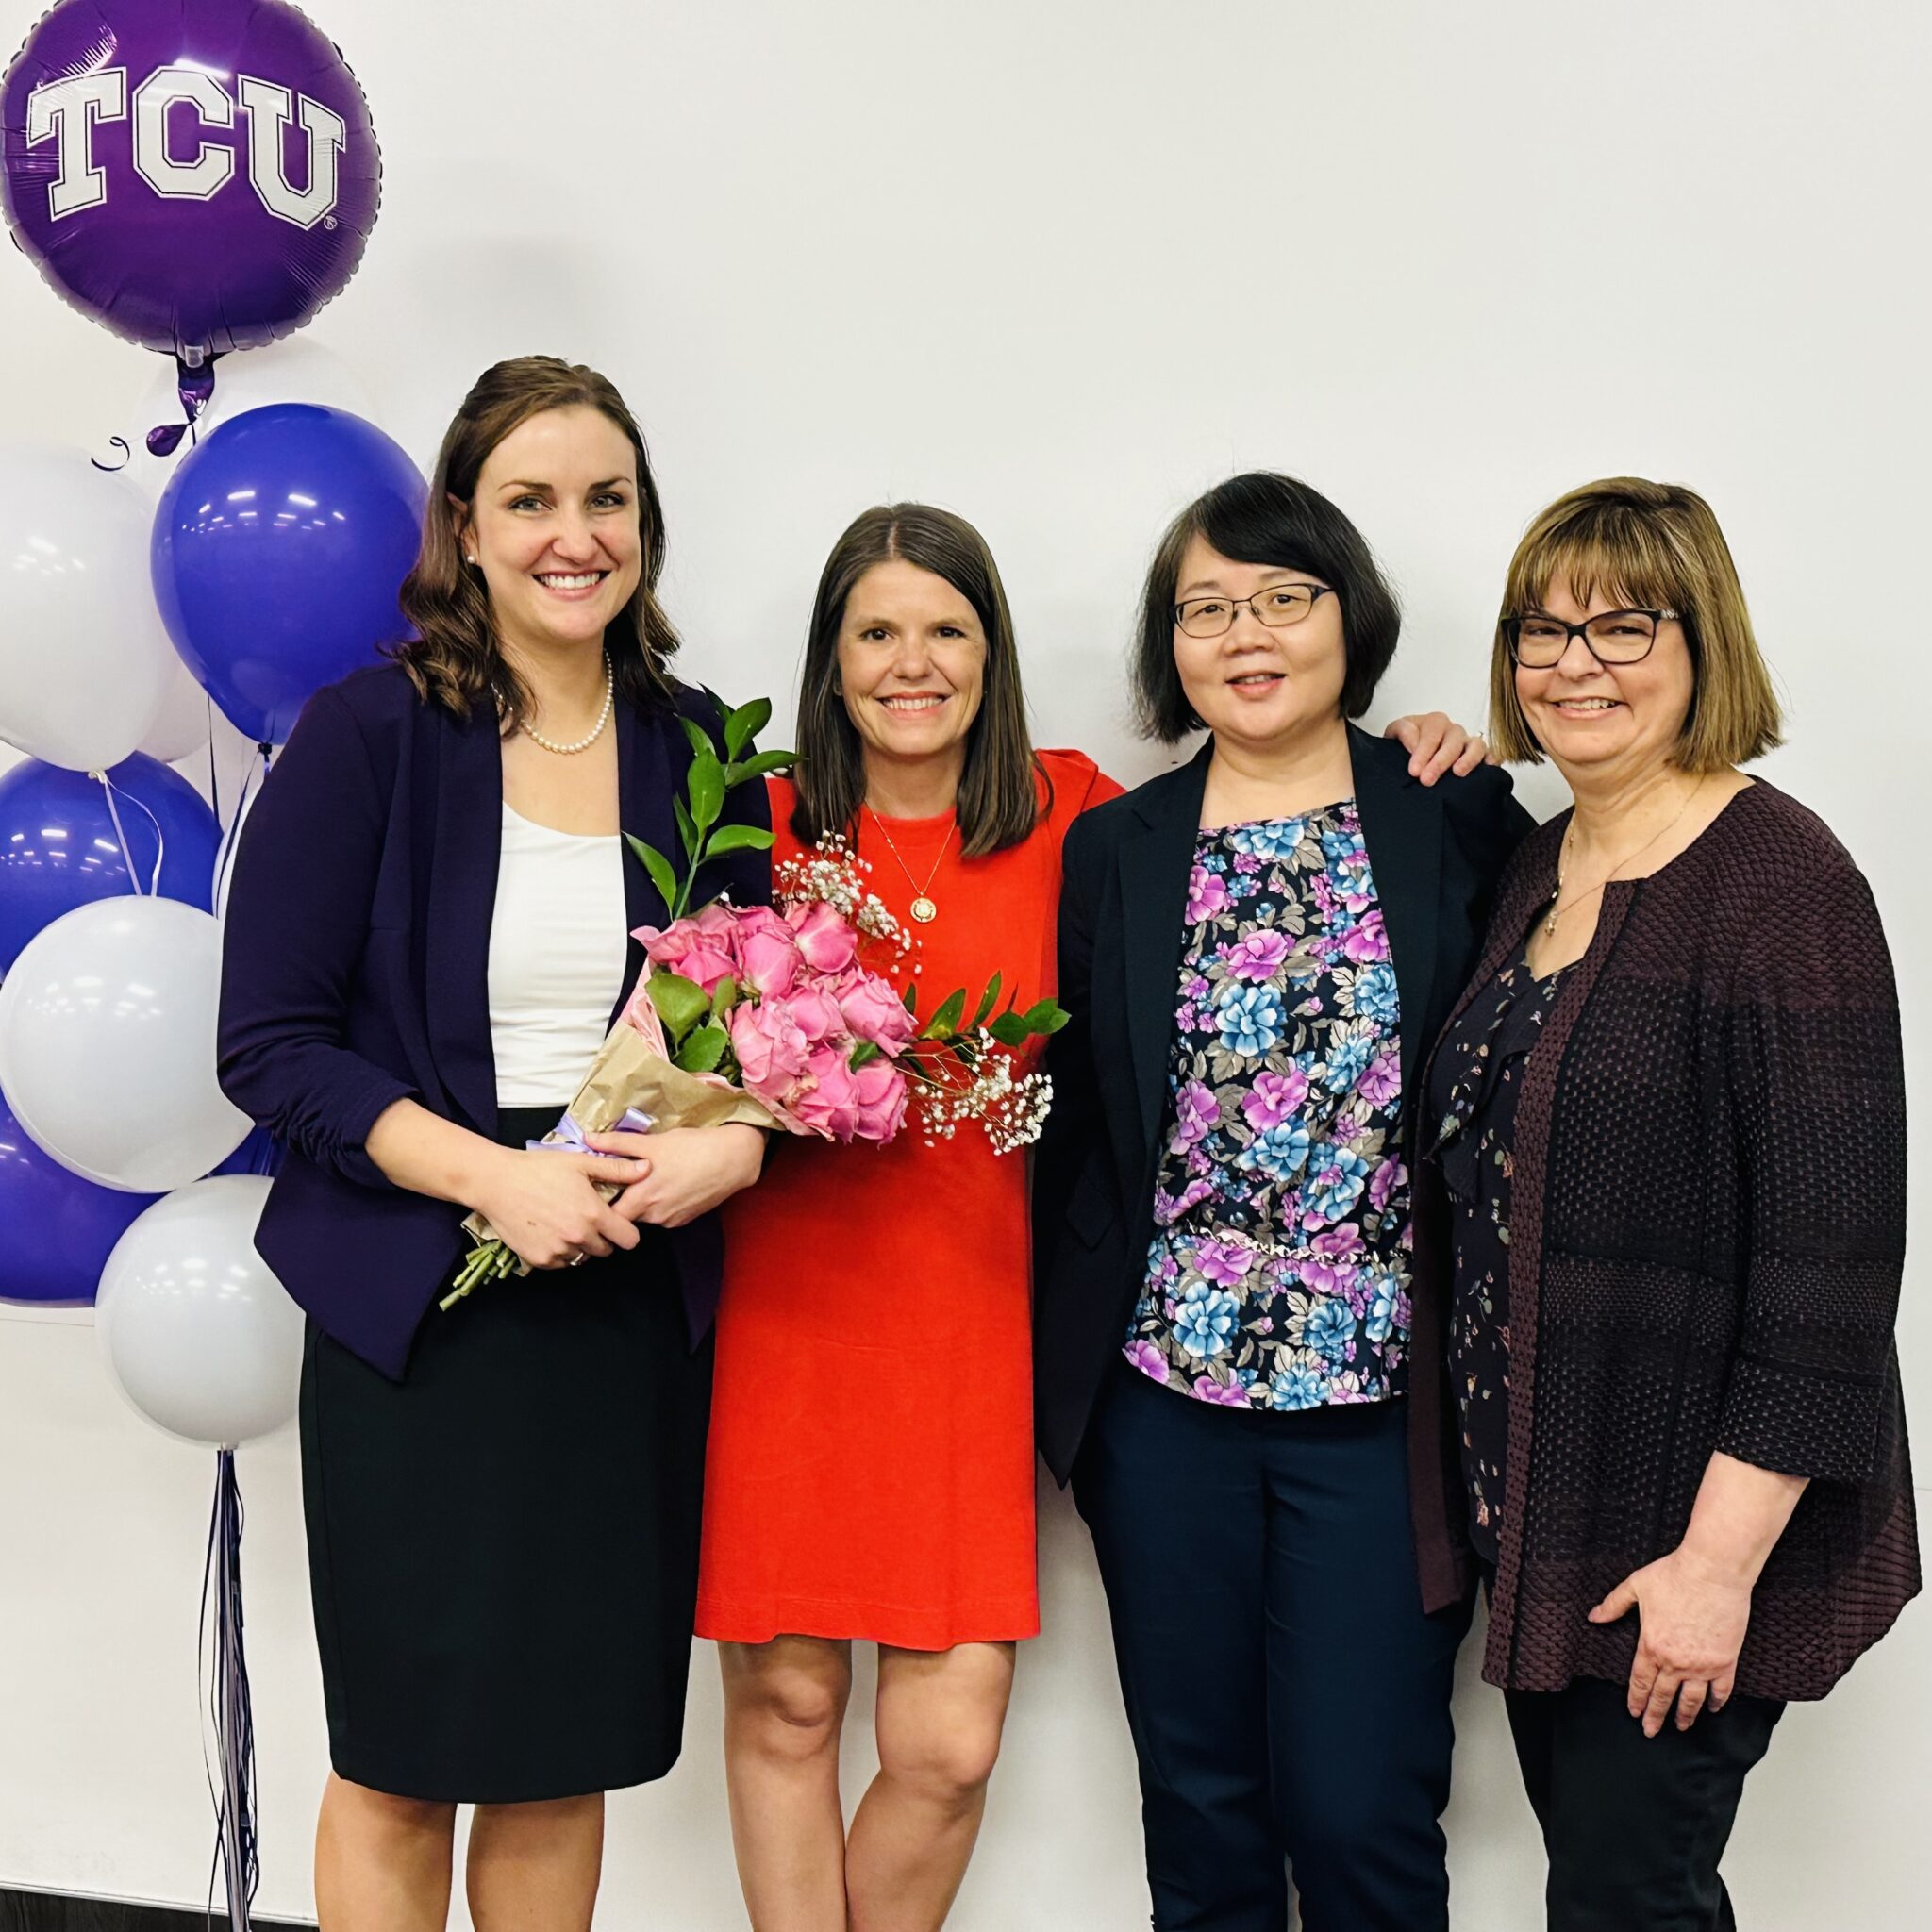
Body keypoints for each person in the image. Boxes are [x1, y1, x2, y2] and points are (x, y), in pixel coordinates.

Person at [696, 498, 1490, 1931]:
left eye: (948, 629)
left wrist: (1448, 739)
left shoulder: (1109, 820)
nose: (912, 661)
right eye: (875, 631)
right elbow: (674, 1044)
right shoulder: (790, 829)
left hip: (1071, 1338)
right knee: (851, 1715)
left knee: (1002, 1756)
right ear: (827, 660)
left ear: (995, 656)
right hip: (932, 1346)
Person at [217, 356, 771, 1932]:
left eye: (606, 499)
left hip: (616, 1320)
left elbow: (753, 1026)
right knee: (399, 1760)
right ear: (465, 528)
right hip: (417, 1320)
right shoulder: (371, 734)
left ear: (644, 524)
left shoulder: (697, 748)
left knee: (555, 1756)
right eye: (530, 502)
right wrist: (495, 1181)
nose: (572, 535)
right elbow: (268, 1048)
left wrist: (735, 1147)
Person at [1033, 470, 1532, 1932]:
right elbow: (1079, 1126)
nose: (1245, 633)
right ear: (1169, 647)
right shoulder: (1117, 849)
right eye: (1206, 608)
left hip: (1383, 1410)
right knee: (1200, 1806)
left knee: (1362, 1802)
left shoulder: (1452, 812)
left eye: (1282, 597)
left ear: (1348, 617)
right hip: (1162, 1397)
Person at [1418, 476, 1919, 1929]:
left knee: (1630, 1902)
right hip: (1551, 1513)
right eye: (1541, 630)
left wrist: (1716, 1568)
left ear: (1705, 646)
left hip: (1684, 1538)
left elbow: (1834, 1274)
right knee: (1612, 1891)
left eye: (1623, 627)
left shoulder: (1783, 884)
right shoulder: (1543, 860)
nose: (1574, 664)